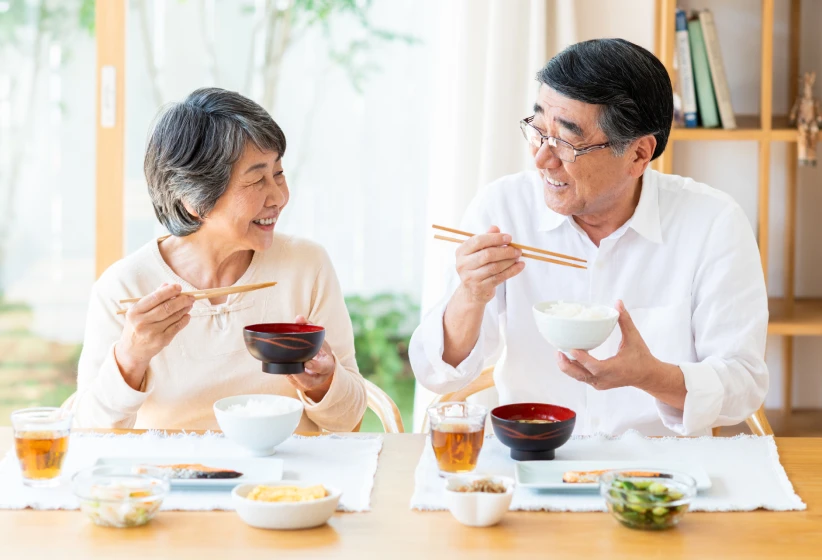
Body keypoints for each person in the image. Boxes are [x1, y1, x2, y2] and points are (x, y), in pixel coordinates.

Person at [409, 39, 768, 436]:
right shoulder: (503, 209)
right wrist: (470, 296)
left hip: (659, 474)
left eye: (565, 142)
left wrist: (651, 376)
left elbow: (744, 384)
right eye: (538, 130)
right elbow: (436, 374)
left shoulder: (712, 223)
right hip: (536, 455)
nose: (542, 158)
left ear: (638, 155)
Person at [72, 88, 367, 431]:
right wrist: (131, 356)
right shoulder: (125, 288)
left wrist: (324, 383)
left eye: (279, 173)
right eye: (256, 179)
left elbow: (349, 422)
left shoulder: (306, 266)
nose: (279, 196)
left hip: (287, 481)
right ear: (193, 201)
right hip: (172, 478)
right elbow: (88, 432)